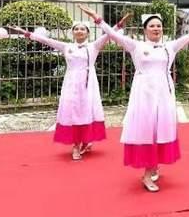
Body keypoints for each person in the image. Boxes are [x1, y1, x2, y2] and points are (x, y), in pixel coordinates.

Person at [78, 4, 189, 192]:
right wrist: (97, 18)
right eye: (152, 26)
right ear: (145, 29)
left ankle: (154, 165)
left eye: (159, 26)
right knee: (146, 129)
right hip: (144, 93)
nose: (156, 29)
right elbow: (113, 35)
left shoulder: (169, 47)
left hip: (163, 92)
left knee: (160, 129)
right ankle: (146, 174)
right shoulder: (136, 45)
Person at [9, 14, 130, 161]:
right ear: (72, 32)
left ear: (88, 33)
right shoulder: (67, 46)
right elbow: (47, 40)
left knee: (87, 110)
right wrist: (25, 32)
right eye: (76, 29)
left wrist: (119, 25)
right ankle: (75, 145)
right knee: (73, 112)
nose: (79, 31)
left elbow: (108, 35)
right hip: (71, 83)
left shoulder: (94, 46)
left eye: (83, 29)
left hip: (88, 84)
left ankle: (85, 140)